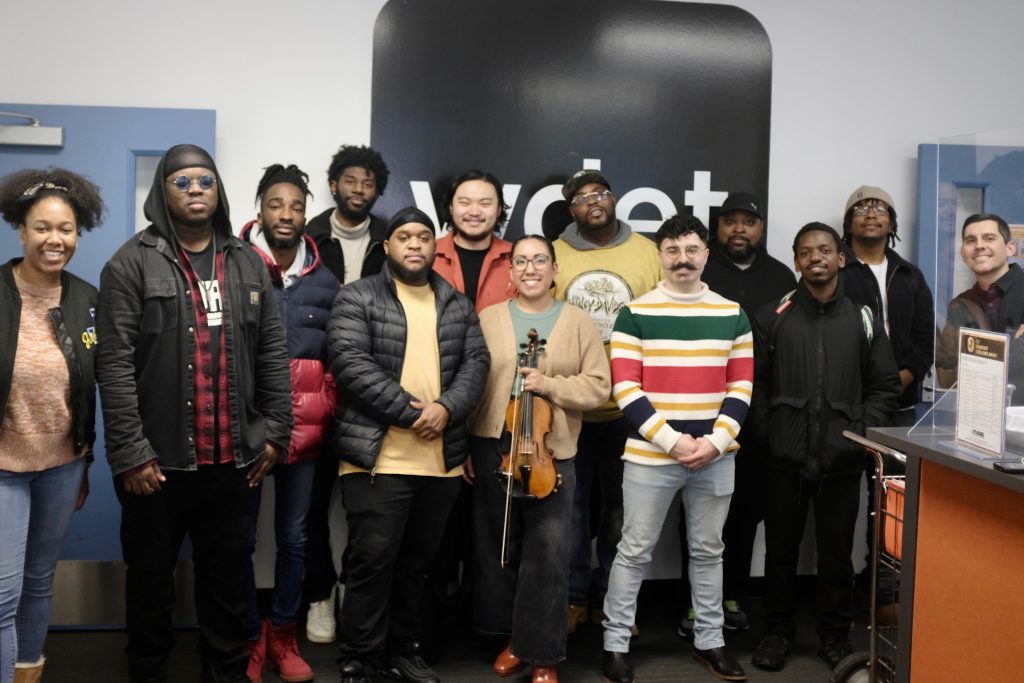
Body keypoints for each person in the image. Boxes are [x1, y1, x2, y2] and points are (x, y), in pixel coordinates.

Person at [96, 144, 293, 683]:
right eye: (181, 182)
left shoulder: (249, 263)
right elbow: (112, 366)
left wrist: (275, 434)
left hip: (234, 463)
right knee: (151, 586)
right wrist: (130, 454)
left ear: (219, 189)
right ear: (163, 192)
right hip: (155, 468)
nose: (195, 191)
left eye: (204, 180)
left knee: (228, 587)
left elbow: (274, 354)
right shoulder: (129, 263)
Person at [327, 207, 490, 683]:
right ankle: (360, 658)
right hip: (378, 458)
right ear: (388, 247)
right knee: (371, 564)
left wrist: (447, 408)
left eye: (423, 237)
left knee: (417, 567)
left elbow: (477, 365)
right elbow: (350, 363)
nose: (415, 244)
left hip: (440, 464)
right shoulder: (358, 297)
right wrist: (416, 412)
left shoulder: (457, 303)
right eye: (404, 237)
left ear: (434, 247)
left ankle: (402, 649)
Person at [600, 215, 752, 683]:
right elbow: (625, 388)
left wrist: (715, 442)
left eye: (691, 250)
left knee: (709, 552)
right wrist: (674, 441)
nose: (682, 260)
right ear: (659, 256)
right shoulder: (634, 312)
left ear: (706, 255)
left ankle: (711, 642)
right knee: (634, 551)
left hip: (715, 456)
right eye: (672, 251)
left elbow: (741, 385)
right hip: (650, 456)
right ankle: (614, 645)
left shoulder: (732, 313)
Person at [749, 222, 899, 672]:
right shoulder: (771, 316)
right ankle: (777, 632)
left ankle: (835, 636)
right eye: (805, 251)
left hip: (842, 459)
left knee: (836, 554)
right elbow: (752, 386)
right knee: (780, 552)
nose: (815, 257)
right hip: (784, 459)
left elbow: (885, 386)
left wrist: (858, 432)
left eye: (825, 250)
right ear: (796, 260)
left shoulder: (862, 317)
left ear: (840, 259)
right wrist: (769, 435)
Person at [468, 235, 610, 683]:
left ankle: (543, 652)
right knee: (499, 549)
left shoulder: (578, 321)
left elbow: (598, 387)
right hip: (496, 446)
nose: (530, 268)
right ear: (510, 271)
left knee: (548, 555)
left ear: (554, 269)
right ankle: (514, 640)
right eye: (521, 261)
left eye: (540, 261)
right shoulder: (488, 318)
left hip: (552, 453)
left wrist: (548, 385)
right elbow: (470, 381)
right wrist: (465, 444)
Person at [0, 169, 103, 683]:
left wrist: (87, 459)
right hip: (2, 465)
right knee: (3, 590)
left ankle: (27, 674)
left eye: (65, 229)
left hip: (62, 464)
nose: (54, 240)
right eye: (42, 228)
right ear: (20, 231)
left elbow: (98, 383)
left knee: (40, 581)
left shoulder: (87, 299)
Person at [677, 192, 796, 639]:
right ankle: (693, 603)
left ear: (761, 229)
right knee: (697, 514)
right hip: (701, 414)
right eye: (730, 221)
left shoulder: (782, 276)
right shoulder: (698, 271)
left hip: (758, 414)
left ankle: (733, 593)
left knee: (746, 511)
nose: (739, 229)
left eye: (749, 221)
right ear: (716, 229)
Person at [239, 164, 339, 683]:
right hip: (245, 434)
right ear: (260, 208)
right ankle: (247, 639)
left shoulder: (324, 280)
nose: (286, 214)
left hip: (305, 433)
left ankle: (283, 633)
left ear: (306, 214)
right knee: (240, 539)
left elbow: (337, 356)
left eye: (297, 206)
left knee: (295, 537)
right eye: (276, 204)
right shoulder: (231, 264)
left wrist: (327, 406)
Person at [554, 169, 661, 633]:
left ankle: (612, 601)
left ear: (614, 199)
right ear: (571, 210)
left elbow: (661, 319)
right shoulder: (554, 255)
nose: (592, 202)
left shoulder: (648, 252)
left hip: (630, 407)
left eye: (599, 193)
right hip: (571, 406)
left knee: (622, 511)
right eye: (580, 198)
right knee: (571, 511)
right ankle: (575, 598)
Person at [303, 144, 391, 643]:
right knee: (310, 507)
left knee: (368, 509)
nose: (359, 190)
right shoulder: (309, 235)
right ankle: (320, 594)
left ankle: (357, 595)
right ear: (334, 184)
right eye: (350, 180)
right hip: (315, 386)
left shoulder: (390, 238)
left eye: (369, 183)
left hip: (373, 392)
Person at [840, 186, 933, 427]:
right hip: (846, 404)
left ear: (891, 224)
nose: (871, 214)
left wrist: (902, 379)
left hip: (901, 405)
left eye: (880, 209)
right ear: (849, 224)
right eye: (861, 209)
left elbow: (924, 337)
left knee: (899, 466)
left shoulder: (910, 275)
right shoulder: (834, 273)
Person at [936, 212, 1024, 391]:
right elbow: (947, 379)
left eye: (989, 238)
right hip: (977, 413)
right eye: (970, 240)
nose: (979, 246)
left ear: (1010, 248)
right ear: (963, 252)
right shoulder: (960, 305)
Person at [433, 169, 514, 312]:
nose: (474, 212)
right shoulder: (427, 256)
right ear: (451, 207)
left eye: (485, 203)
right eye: (465, 203)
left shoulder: (518, 259)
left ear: (499, 209)